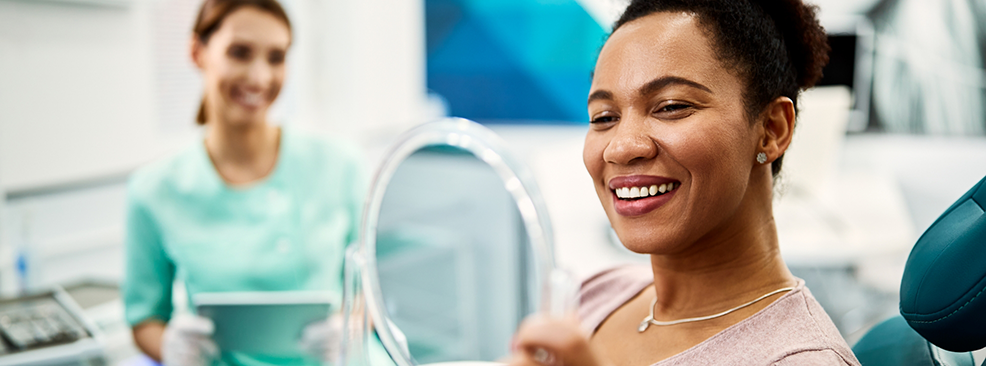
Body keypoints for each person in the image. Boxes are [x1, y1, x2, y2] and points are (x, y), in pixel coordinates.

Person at [509, 0, 861, 365]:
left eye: (671, 106)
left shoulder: (804, 360)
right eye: (604, 117)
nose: (622, 147)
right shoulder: (595, 297)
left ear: (772, 130)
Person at [122, 1, 364, 365]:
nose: (260, 77)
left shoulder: (339, 166)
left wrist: (351, 331)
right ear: (197, 52)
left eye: (277, 57)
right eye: (240, 53)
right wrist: (171, 348)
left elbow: (371, 292)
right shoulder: (154, 191)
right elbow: (145, 319)